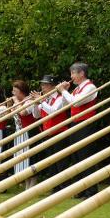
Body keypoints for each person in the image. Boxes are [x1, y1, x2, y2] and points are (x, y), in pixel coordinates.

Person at [56, 62, 98, 199]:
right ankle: (81, 189)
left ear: (82, 74)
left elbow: (76, 102)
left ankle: (91, 190)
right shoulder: (77, 89)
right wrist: (64, 92)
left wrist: (63, 91)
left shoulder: (90, 87)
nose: (71, 76)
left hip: (86, 124)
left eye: (73, 73)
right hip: (75, 123)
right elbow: (65, 104)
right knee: (77, 157)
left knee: (85, 157)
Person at [30, 75, 70, 192]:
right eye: (42, 85)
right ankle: (55, 187)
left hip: (59, 132)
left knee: (61, 162)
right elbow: (36, 115)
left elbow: (53, 111)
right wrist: (35, 103)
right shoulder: (45, 99)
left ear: (53, 86)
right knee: (50, 162)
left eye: (46, 85)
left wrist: (41, 100)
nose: (43, 87)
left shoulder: (60, 97)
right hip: (47, 133)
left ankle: (64, 187)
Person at [11, 80, 41, 190]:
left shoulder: (28, 101)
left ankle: (32, 186)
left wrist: (15, 102)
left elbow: (23, 112)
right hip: (19, 132)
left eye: (15, 91)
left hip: (29, 131)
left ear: (22, 92)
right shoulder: (17, 102)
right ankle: (26, 185)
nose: (13, 93)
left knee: (30, 158)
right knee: (22, 159)